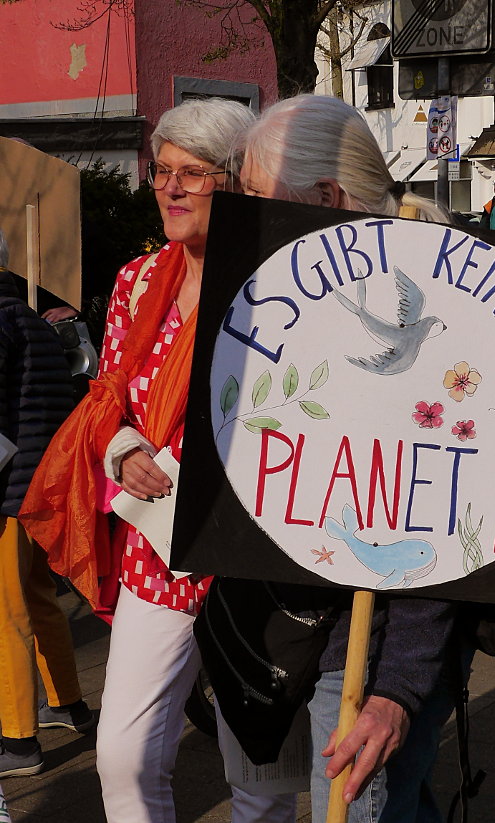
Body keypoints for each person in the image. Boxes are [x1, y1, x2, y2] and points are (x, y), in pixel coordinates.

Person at [19, 99, 295, 823]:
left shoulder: (285, 286)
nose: (171, 187)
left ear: (233, 181)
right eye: (162, 171)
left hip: (259, 554)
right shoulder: (138, 282)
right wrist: (121, 447)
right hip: (159, 548)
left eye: (192, 173)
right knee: (124, 754)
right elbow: (107, 395)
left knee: (262, 776)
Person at [236, 93, 456, 823]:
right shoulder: (302, 306)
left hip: (379, 649)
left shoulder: (429, 318)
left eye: (258, 198)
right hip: (328, 631)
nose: (247, 217)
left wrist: (396, 691)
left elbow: (444, 518)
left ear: (327, 199)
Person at [0, 229, 95, 779]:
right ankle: (66, 703)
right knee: (38, 598)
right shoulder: (33, 320)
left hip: (7, 488)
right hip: (42, 486)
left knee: (6, 611)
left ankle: (17, 740)